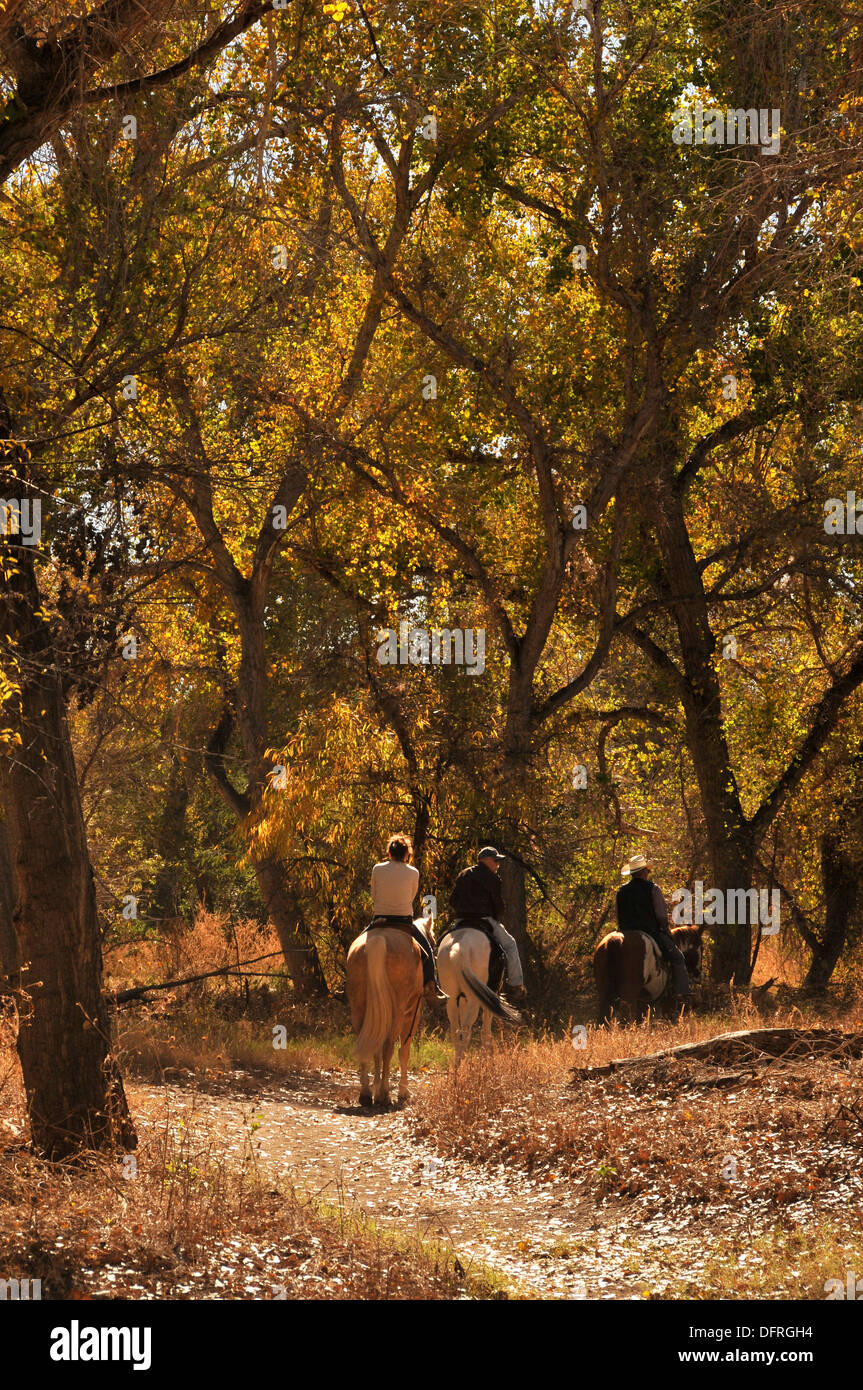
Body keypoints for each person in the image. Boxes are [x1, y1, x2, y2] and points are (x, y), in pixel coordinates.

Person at [370, 833, 444, 1002]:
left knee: (357, 945)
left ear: (389, 853)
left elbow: (374, 895)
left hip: (380, 920)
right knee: (428, 954)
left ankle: (347, 984)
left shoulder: (377, 868)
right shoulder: (413, 872)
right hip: (403, 922)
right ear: (406, 855)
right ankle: (432, 987)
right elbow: (410, 896)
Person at [449, 846, 526, 1005]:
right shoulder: (492, 878)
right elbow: (498, 906)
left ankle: (436, 983)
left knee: (440, 946)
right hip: (484, 920)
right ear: (486, 860)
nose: (498, 864)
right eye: (496, 860)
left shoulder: (463, 875)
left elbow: (452, 901)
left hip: (461, 921)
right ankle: (516, 985)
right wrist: (497, 916)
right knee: (510, 944)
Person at [615, 853, 690, 1005]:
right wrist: (667, 930)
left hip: (624, 932)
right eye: (647, 871)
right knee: (678, 958)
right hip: (650, 932)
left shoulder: (621, 891)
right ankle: (683, 995)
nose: (648, 874)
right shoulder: (653, 889)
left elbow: (617, 915)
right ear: (644, 872)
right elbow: (661, 916)